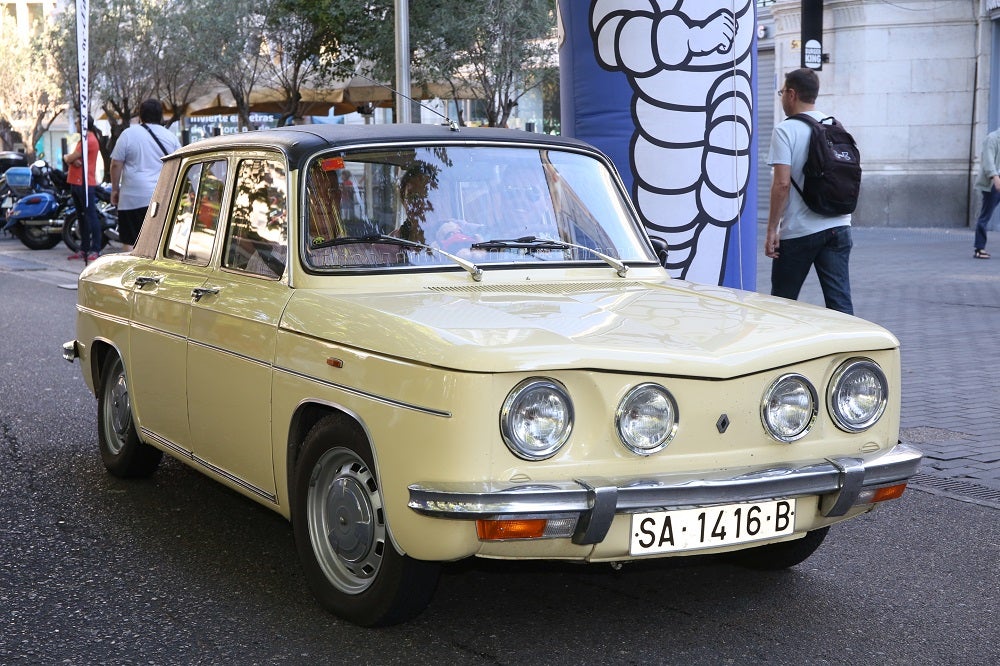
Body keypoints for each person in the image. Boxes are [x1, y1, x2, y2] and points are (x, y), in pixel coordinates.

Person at [764, 68, 854, 315]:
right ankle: (850, 350)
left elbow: (781, 185)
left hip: (799, 232)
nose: (782, 97)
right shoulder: (835, 125)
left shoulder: (785, 130)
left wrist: (772, 229)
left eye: (782, 92)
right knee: (840, 303)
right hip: (839, 226)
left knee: (781, 304)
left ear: (792, 94)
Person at [109, 99, 180, 251]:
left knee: (130, 241)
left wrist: (115, 189)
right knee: (159, 242)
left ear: (140, 116)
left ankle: (132, 273)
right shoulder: (171, 137)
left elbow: (116, 164)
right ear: (161, 116)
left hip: (132, 198)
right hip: (162, 198)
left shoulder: (128, 134)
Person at [63, 116, 102, 261]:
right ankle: (84, 248)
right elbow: (72, 158)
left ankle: (95, 249)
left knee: (90, 216)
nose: (75, 124)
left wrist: (70, 158)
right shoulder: (83, 140)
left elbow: (69, 158)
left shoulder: (89, 140)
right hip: (76, 182)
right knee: (81, 217)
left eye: (77, 122)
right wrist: (72, 159)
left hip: (84, 183)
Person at [973, 128, 1000, 259]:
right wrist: (995, 177)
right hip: (993, 183)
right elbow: (988, 161)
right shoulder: (992, 138)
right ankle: (979, 248)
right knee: (985, 215)